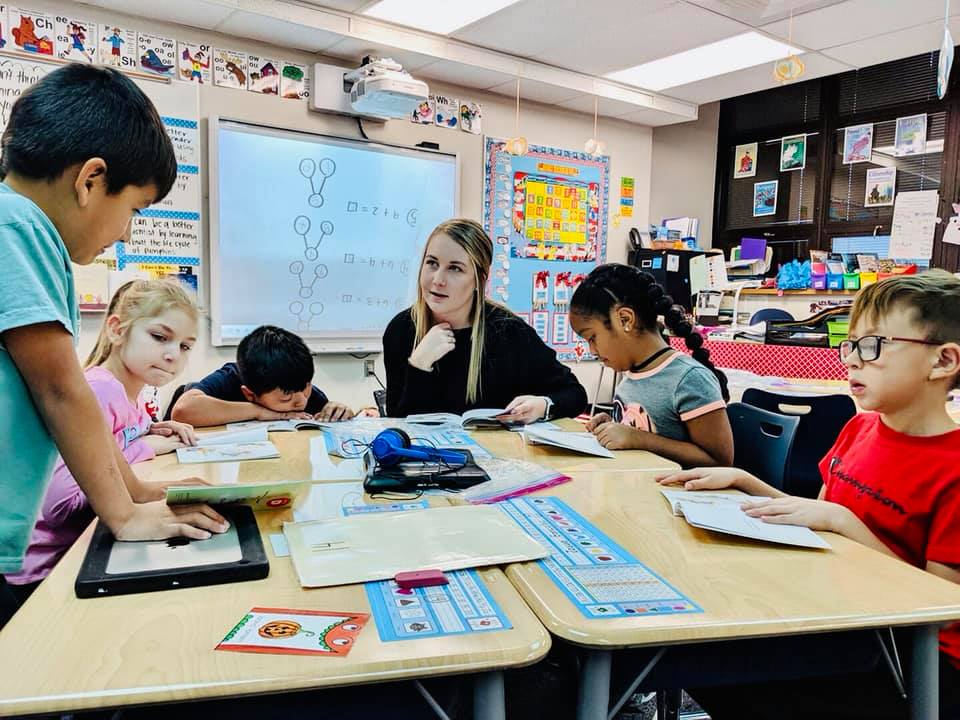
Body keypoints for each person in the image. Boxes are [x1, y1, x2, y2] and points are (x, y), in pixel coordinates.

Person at [659, 271, 960, 719]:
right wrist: (745, 481)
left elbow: (939, 605)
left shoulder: (952, 466)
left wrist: (843, 523)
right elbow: (817, 515)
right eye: (850, 345)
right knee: (687, 647)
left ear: (943, 361)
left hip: (914, 660)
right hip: (838, 613)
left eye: (873, 346)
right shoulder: (859, 428)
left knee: (713, 669)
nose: (853, 361)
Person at [0, 64, 226, 628]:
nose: (127, 232)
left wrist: (141, 490)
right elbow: (60, 389)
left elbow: (77, 412)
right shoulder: (19, 225)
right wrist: (125, 516)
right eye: (134, 210)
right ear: (90, 180)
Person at [5, 280, 204, 602]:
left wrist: (151, 429)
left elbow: (116, 438)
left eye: (185, 346)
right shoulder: (101, 389)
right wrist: (144, 447)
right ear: (116, 330)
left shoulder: (132, 396)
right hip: (45, 573)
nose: (172, 356)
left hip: (80, 552)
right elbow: (60, 505)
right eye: (159, 337)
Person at [382, 218, 587, 422]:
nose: (437, 279)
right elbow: (397, 423)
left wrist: (543, 405)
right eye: (432, 263)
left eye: (455, 268)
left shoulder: (509, 332)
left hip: (497, 453)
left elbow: (575, 394)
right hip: (424, 453)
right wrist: (419, 365)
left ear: (479, 280)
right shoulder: (401, 330)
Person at [570, 263, 733, 467]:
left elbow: (720, 461)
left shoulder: (689, 378)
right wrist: (613, 426)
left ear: (625, 319)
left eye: (592, 338)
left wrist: (638, 439)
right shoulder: (634, 373)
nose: (592, 351)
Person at [171, 325, 356, 426]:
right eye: (286, 398)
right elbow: (183, 410)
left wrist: (339, 412)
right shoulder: (231, 378)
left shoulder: (303, 392)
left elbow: (329, 423)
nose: (301, 401)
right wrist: (259, 412)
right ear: (250, 394)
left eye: (305, 387)